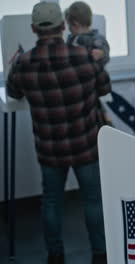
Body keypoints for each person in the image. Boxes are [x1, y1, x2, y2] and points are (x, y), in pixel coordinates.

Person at [7, 2, 110, 264]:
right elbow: (104, 88)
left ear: (33, 29)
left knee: (51, 202)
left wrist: (13, 65)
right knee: (93, 201)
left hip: (49, 149)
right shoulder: (83, 56)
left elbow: (13, 93)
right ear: (63, 26)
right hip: (86, 144)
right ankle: (100, 253)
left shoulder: (24, 63)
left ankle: (55, 255)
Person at [65, 1, 112, 126]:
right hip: (74, 86)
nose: (68, 28)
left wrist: (102, 54)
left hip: (91, 86)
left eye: (69, 24)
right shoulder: (70, 39)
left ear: (75, 23)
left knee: (97, 120)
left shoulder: (96, 40)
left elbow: (104, 54)